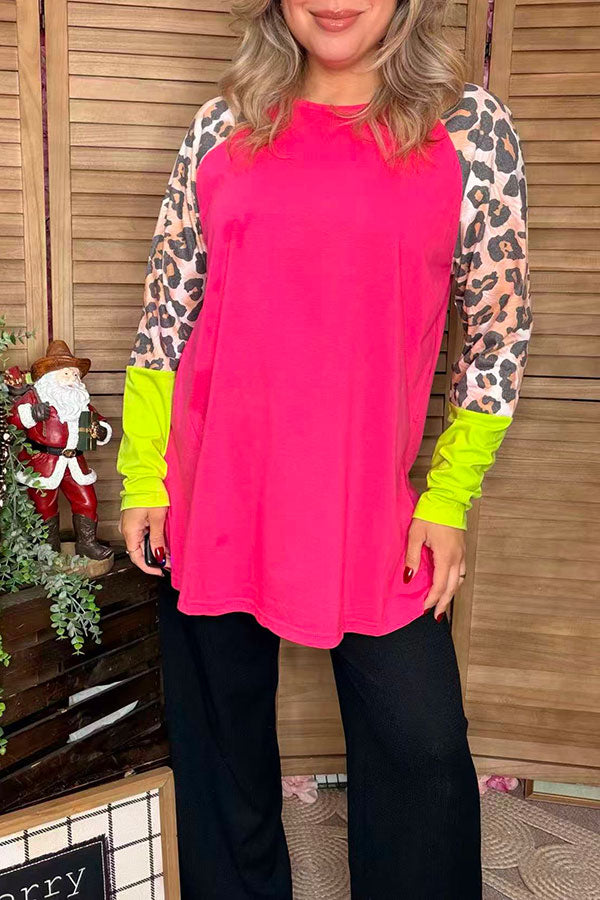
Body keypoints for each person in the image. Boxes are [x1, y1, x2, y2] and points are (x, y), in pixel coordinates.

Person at [116, 0, 532, 895]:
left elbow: (498, 333)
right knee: (221, 746)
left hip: (364, 495)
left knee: (420, 747)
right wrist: (144, 472)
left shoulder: (469, 128)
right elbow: (167, 311)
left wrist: (448, 496)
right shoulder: (224, 123)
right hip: (214, 485)